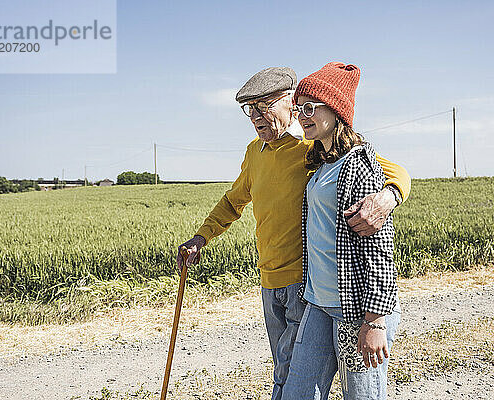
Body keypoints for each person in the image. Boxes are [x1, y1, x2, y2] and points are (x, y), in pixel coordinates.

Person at [176, 66, 410, 400]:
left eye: (264, 106)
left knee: (293, 378)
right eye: (250, 109)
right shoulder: (254, 153)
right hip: (271, 283)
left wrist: (387, 198)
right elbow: (233, 201)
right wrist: (201, 237)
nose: (256, 116)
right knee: (287, 372)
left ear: (289, 102)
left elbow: (393, 171)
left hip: (308, 285)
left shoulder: (312, 149)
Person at [280, 62, 401, 400]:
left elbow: (379, 250)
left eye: (309, 107)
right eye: (297, 107)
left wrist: (374, 322)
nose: (302, 115)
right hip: (319, 303)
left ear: (336, 111)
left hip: (356, 308)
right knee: (298, 393)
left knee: (361, 396)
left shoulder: (357, 164)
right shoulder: (322, 164)